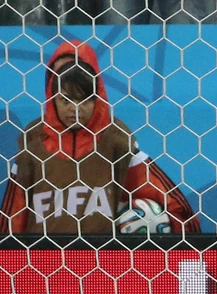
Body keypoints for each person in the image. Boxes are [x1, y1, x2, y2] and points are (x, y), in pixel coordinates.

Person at [0, 40, 200, 235]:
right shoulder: (33, 142)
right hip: (45, 256)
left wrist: (189, 247)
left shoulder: (117, 141)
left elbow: (174, 206)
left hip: (103, 257)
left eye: (84, 98)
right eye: (66, 98)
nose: (75, 108)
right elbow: (11, 221)